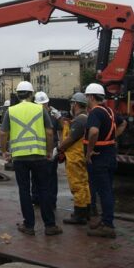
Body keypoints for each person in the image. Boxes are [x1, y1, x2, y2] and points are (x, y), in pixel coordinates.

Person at [0, 81, 61, 236]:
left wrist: (4, 151)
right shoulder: (40, 109)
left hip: (20, 158)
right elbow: (49, 132)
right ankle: (50, 225)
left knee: (24, 191)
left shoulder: (11, 111)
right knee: (44, 189)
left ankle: (29, 226)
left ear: (18, 94)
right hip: (39, 156)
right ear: (31, 94)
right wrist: (49, 151)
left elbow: (3, 133)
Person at [83, 83, 126, 238]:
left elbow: (93, 132)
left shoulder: (95, 112)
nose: (86, 99)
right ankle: (105, 219)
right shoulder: (109, 111)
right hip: (109, 155)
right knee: (107, 189)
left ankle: (108, 225)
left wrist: (89, 152)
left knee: (104, 191)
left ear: (92, 97)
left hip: (99, 158)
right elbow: (123, 123)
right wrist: (112, 137)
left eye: (87, 96)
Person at [57, 92, 91, 225]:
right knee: (84, 184)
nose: (71, 106)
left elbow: (70, 139)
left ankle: (80, 215)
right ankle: (85, 211)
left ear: (76, 104)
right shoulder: (85, 118)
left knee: (77, 185)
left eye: (72, 103)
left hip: (75, 157)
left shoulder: (79, 120)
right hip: (80, 156)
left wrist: (60, 148)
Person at [32, 91, 59, 210]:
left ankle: (40, 200)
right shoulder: (53, 116)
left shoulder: (42, 117)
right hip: (47, 150)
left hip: (44, 151)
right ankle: (49, 201)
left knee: (40, 176)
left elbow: (52, 134)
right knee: (49, 177)